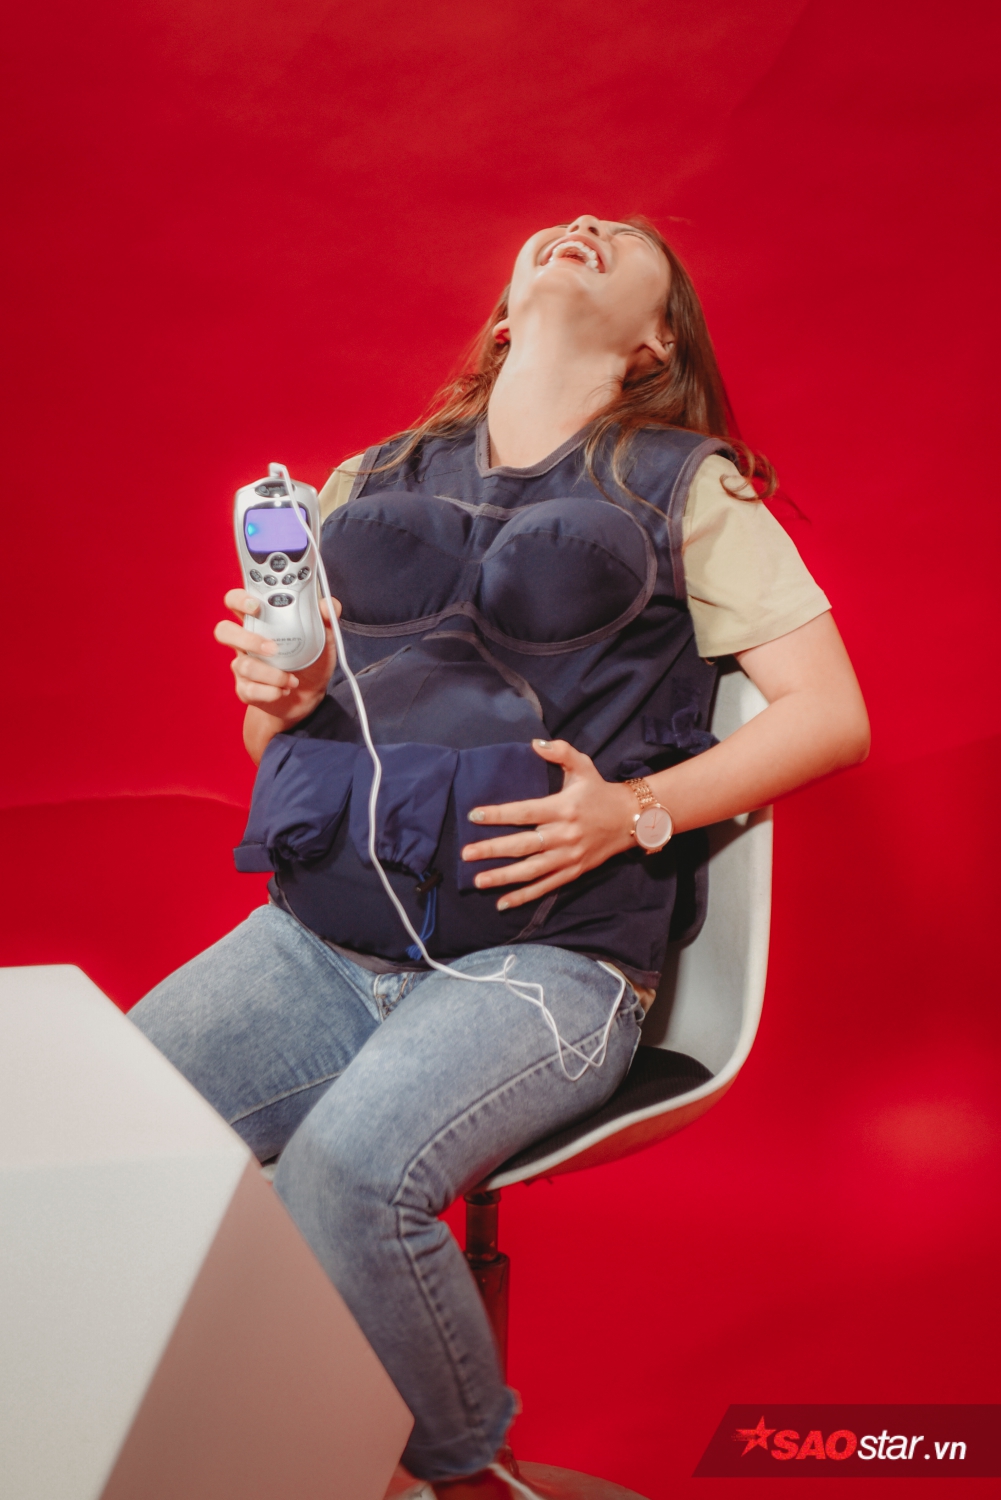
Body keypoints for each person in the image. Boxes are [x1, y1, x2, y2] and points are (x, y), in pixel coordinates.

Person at [131, 214, 870, 1497]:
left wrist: (633, 811)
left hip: (548, 961)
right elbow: (276, 740)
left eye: (620, 237)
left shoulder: (689, 487)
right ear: (499, 318)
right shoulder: (364, 479)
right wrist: (281, 690)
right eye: (563, 225)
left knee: (345, 1181)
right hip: (320, 943)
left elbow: (831, 715)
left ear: (654, 344)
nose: (581, 226)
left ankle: (468, 1480)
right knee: (98, 1135)